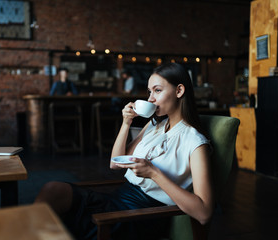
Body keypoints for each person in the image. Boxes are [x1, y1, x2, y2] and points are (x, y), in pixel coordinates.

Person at [35, 63, 214, 239]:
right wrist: (126, 123)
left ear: (179, 91)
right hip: (118, 200)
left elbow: (204, 213)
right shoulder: (154, 126)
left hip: (143, 215)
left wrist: (154, 173)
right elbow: (115, 163)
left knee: (66, 218)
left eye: (157, 90)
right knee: (54, 190)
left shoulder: (195, 142)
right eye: (149, 91)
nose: (150, 99)